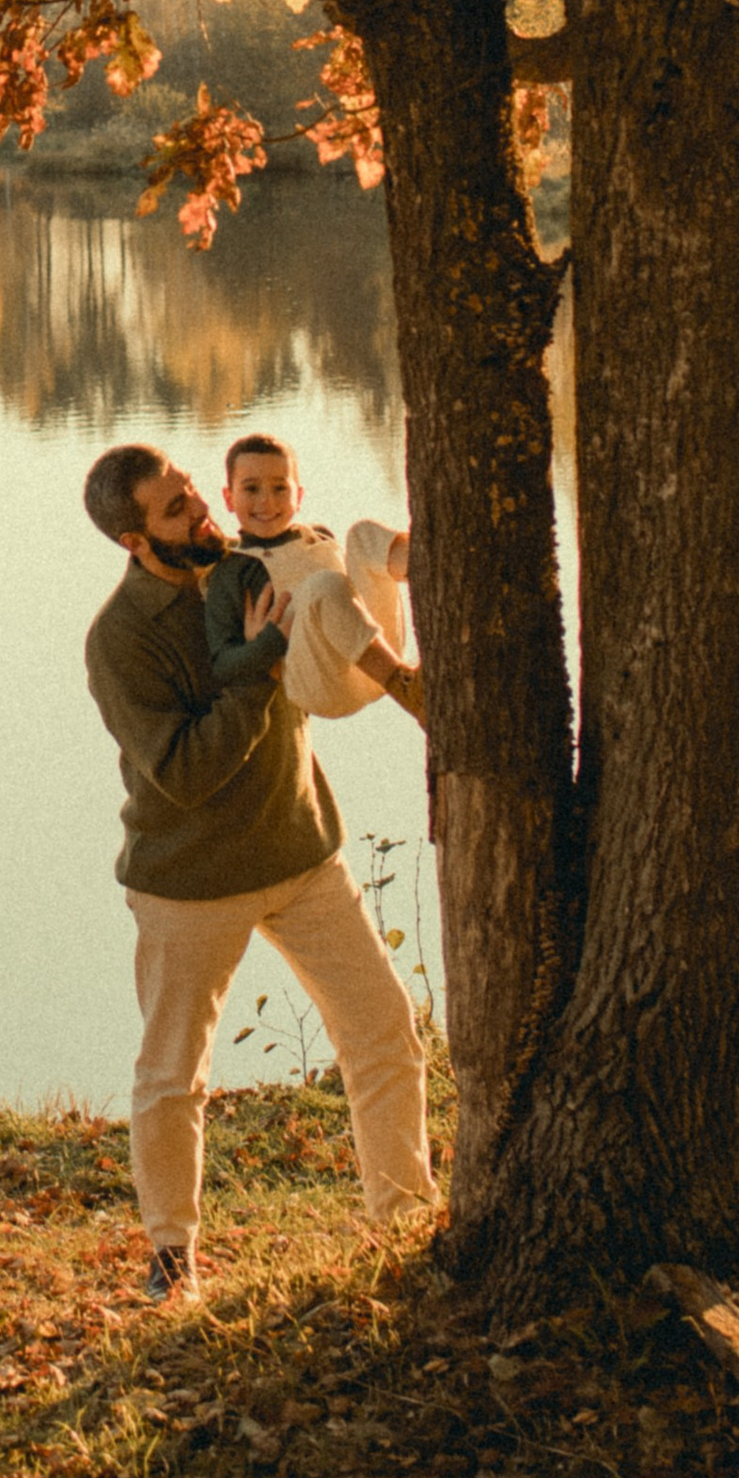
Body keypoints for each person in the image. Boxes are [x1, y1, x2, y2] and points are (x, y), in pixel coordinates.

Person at [83, 441, 433, 1299]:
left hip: (301, 852)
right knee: (174, 1075)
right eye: (175, 511)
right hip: (190, 883)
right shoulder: (121, 640)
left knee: (385, 1030)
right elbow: (185, 770)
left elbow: (326, 611)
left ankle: (408, 1228)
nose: (201, 512)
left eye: (193, 493)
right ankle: (172, 1260)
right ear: (136, 541)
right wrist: (263, 661)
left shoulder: (249, 564)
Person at [202, 429, 427, 724]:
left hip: (376, 654)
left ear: (299, 495)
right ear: (229, 498)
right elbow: (222, 665)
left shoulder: (318, 536)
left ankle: (443, 573)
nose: (266, 501)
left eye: (280, 488)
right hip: (320, 681)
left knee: (363, 534)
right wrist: (266, 643)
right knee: (324, 584)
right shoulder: (231, 570)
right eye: (251, 489)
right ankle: (407, 690)